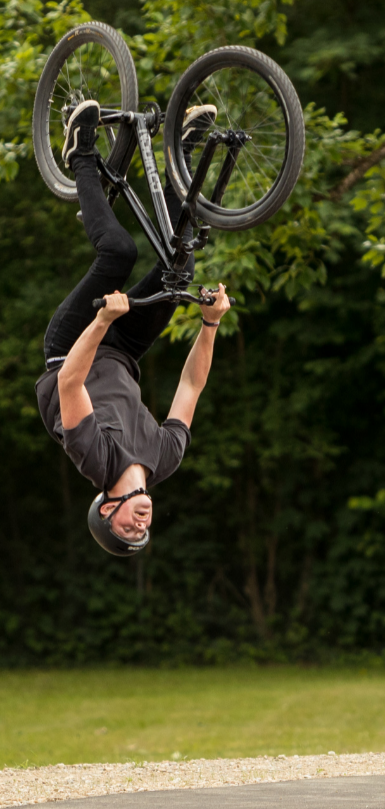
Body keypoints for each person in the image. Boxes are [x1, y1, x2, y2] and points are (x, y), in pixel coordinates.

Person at [34, 98, 229, 557]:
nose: (140, 526)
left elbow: (69, 381)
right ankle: (182, 158)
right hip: (123, 351)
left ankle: (80, 152)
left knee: (119, 253)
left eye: (126, 531)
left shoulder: (93, 459)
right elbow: (191, 387)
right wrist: (209, 324)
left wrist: (101, 320)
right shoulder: (165, 458)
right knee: (180, 263)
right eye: (142, 534)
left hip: (73, 346)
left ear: (106, 510)